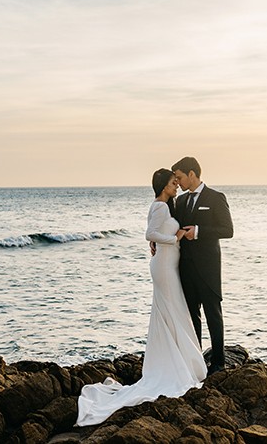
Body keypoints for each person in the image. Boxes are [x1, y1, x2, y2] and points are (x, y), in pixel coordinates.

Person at [75, 169, 207, 427]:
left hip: (168, 266)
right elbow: (151, 234)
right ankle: (173, 367)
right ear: (163, 186)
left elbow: (156, 233)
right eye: (173, 183)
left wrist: (170, 238)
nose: (176, 186)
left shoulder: (167, 207)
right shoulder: (159, 206)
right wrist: (176, 236)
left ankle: (178, 360)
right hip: (164, 267)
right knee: (172, 311)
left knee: (172, 312)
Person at [172, 156, 233, 376]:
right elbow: (173, 228)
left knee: (213, 315)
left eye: (180, 177)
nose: (177, 182)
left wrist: (197, 232)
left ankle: (218, 363)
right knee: (191, 316)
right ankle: (195, 360)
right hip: (185, 268)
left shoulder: (216, 198)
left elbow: (227, 230)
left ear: (191, 174)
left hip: (208, 268)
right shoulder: (179, 202)